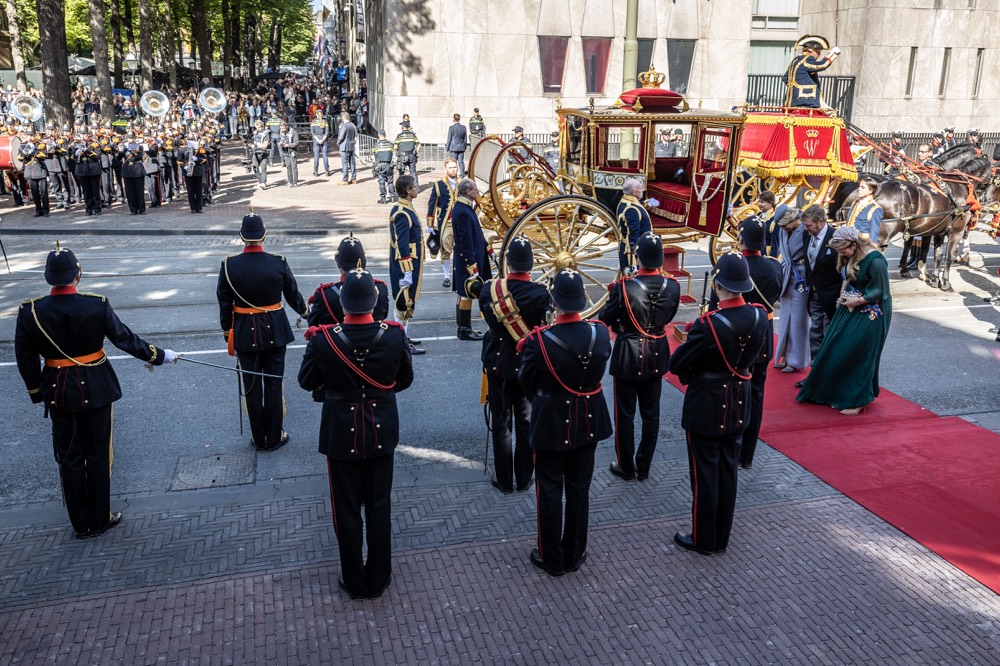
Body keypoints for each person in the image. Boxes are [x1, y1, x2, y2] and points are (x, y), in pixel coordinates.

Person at [14, 244, 177, 538]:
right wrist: (159, 356)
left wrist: (36, 392)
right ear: (78, 275)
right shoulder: (96, 304)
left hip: (58, 390)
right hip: (96, 386)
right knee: (98, 454)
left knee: (69, 456)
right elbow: (125, 339)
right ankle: (100, 518)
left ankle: (81, 523)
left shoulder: (31, 311)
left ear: (48, 277)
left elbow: (25, 357)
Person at [298, 266, 414, 600]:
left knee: (346, 510)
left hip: (340, 434)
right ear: (374, 301)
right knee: (379, 507)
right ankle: (378, 578)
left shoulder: (323, 340)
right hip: (381, 431)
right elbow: (404, 379)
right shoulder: (394, 335)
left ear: (343, 303)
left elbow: (306, 381)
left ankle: (353, 579)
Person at [668, 253, 768, 555]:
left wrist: (691, 348)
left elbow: (677, 363)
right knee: (727, 470)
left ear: (718, 285)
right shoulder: (759, 315)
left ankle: (703, 538)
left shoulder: (707, 324)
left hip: (708, 403)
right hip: (739, 398)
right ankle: (721, 537)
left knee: (704, 474)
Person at [518, 268, 612, 576]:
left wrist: (545, 400)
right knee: (579, 488)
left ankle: (551, 557)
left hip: (551, 422)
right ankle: (574, 552)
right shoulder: (600, 334)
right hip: (588, 420)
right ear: (583, 299)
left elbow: (526, 383)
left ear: (554, 302)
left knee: (549, 489)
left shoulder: (539, 341)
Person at [217, 213, 309, 451]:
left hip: (244, 332)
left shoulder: (228, 265)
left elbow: (224, 304)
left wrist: (228, 331)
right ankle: (274, 436)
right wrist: (306, 312)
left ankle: (259, 438)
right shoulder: (278, 262)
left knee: (252, 386)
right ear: (264, 235)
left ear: (242, 237)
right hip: (275, 330)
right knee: (274, 384)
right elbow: (293, 295)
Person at [598, 232, 680, 481]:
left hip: (628, 354)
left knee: (625, 415)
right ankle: (643, 466)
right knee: (651, 414)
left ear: (638, 257)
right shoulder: (673, 286)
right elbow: (669, 315)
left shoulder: (625, 286)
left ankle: (625, 465)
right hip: (656, 351)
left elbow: (604, 318)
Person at [479, 236, 550, 493]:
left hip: (497, 363)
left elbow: (488, 319)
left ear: (508, 263)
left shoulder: (490, 289)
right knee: (525, 421)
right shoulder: (541, 294)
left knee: (500, 423)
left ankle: (504, 480)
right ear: (531, 264)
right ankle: (524, 477)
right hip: (526, 366)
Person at [797, 226, 892, 415]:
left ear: (854, 245)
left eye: (843, 251)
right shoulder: (853, 255)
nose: (842, 255)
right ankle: (837, 392)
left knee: (862, 353)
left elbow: (881, 291)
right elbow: (848, 279)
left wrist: (856, 301)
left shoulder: (876, 261)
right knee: (836, 348)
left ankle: (858, 400)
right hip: (851, 305)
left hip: (873, 311)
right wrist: (843, 295)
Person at [731, 218, 782, 470]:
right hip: (763, 334)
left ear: (742, 238)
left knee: (733, 394)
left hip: (736, 335)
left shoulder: (733, 264)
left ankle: (733, 448)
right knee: (756, 395)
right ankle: (747, 456)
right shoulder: (774, 266)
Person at [307, 234, 390, 327]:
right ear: (364, 262)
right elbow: (383, 315)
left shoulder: (325, 295)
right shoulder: (381, 289)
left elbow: (313, 324)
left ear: (338, 263)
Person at [389, 175, 426, 355]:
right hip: (406, 266)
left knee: (407, 302)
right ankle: (400, 343)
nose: (417, 188)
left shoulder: (406, 208)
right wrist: (407, 272)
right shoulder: (402, 213)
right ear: (407, 190)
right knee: (402, 303)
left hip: (411, 264)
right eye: (414, 186)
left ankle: (403, 337)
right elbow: (402, 244)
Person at [450, 177, 491, 340]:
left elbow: (476, 233)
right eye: (475, 189)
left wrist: (488, 248)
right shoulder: (463, 211)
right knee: (467, 293)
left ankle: (463, 327)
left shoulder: (464, 207)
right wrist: (471, 266)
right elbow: (465, 241)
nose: (477, 192)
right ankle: (464, 329)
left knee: (463, 293)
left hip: (469, 257)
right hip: (468, 260)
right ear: (468, 191)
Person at [774, 207, 810, 374]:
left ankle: (796, 360)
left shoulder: (806, 229)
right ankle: (783, 356)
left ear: (794, 220)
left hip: (801, 278)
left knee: (798, 321)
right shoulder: (784, 231)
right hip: (787, 275)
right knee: (785, 319)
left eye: (784, 225)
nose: (782, 229)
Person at [801, 204, 839, 362]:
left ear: (821, 222)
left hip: (831, 294)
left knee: (829, 331)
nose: (806, 229)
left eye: (809, 225)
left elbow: (842, 269)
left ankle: (828, 367)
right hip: (814, 292)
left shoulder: (835, 237)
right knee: (815, 329)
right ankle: (815, 366)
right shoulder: (807, 235)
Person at [782, 35, 840, 108]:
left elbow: (785, 78)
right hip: (806, 101)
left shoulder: (795, 60)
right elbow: (822, 65)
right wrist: (833, 53)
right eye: (817, 52)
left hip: (791, 101)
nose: (818, 55)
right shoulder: (807, 59)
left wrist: (795, 88)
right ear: (809, 50)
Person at [426, 158, 460, 288]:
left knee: (463, 248)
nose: (453, 170)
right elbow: (432, 204)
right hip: (446, 222)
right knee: (445, 247)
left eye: (454, 167)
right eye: (450, 167)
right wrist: (430, 224)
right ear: (446, 169)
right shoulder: (438, 185)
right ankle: (446, 276)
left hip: (461, 222)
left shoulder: (463, 183)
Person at [616, 177, 652, 273]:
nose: (642, 190)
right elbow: (633, 236)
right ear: (634, 192)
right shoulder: (631, 209)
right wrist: (633, 259)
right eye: (640, 188)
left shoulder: (626, 201)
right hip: (633, 254)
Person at [845, 176, 883, 242]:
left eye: (863, 187)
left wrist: (870, 246)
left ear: (871, 190)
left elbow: (874, 233)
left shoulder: (875, 209)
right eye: (859, 187)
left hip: (861, 243)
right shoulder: (855, 203)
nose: (859, 189)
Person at [21, 131, 50, 218]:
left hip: (40, 170)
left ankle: (45, 210)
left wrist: (34, 151)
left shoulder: (40, 144)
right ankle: (38, 210)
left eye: (31, 135)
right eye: (28, 135)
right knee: (34, 193)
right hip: (29, 171)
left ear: (34, 135)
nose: (30, 137)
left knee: (43, 192)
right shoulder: (23, 145)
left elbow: (44, 156)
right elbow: (19, 158)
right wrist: (26, 151)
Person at [74, 132, 103, 215]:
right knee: (86, 192)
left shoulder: (94, 144)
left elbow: (97, 156)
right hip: (82, 170)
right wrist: (77, 154)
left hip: (93, 169)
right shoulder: (76, 144)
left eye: (85, 134)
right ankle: (88, 208)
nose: (83, 136)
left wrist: (88, 152)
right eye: (82, 134)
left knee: (95, 191)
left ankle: (97, 208)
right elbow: (72, 156)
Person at [177, 133, 207, 214]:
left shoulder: (199, 149)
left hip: (197, 171)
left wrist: (197, 159)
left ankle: (199, 207)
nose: (190, 141)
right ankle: (193, 208)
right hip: (188, 172)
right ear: (187, 140)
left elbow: (204, 160)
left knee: (199, 190)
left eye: (192, 140)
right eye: (189, 140)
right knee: (190, 191)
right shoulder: (182, 150)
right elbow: (179, 161)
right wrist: (184, 167)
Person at [121, 133, 147, 215]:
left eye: (132, 138)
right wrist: (122, 150)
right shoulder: (124, 147)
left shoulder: (139, 146)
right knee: (130, 192)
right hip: (127, 170)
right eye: (129, 138)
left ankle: (141, 209)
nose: (131, 139)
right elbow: (118, 157)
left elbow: (139, 157)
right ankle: (133, 209)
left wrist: (132, 150)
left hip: (137, 169)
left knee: (139, 191)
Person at [372, 129, 396, 204]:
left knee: (381, 182)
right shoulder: (390, 144)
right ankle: (392, 197)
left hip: (380, 165)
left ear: (379, 135)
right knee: (390, 181)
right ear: (385, 135)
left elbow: (374, 155)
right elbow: (393, 153)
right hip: (389, 164)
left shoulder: (376, 145)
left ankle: (383, 198)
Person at [394, 120, 420, 185]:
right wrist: (415, 152)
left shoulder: (399, 136)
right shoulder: (413, 135)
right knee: (413, 173)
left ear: (402, 127)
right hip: (412, 156)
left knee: (401, 173)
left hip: (402, 157)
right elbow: (419, 145)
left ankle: (401, 188)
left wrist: (398, 149)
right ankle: (416, 187)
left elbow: (395, 147)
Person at [445, 113, 468, 177]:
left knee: (453, 162)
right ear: (459, 119)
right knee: (461, 162)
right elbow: (465, 138)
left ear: (454, 119)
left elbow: (449, 139)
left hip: (454, 147)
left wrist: (447, 147)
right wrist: (465, 146)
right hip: (461, 147)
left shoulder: (451, 128)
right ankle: (462, 174)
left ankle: (453, 174)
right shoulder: (463, 127)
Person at [337, 112, 357, 184]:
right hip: (351, 145)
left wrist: (338, 143)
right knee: (352, 163)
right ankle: (354, 178)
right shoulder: (352, 125)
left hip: (344, 146)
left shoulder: (344, 126)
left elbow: (341, 137)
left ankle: (345, 179)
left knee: (345, 163)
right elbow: (355, 135)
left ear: (343, 118)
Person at [311, 110, 331, 177]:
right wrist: (322, 139)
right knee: (325, 155)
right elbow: (327, 132)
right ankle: (327, 171)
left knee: (316, 156)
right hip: (324, 139)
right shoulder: (325, 122)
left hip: (316, 139)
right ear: (322, 114)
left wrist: (318, 140)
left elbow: (312, 132)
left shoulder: (313, 121)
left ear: (316, 114)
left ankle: (316, 171)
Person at [251, 120, 270, 189]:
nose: (259, 128)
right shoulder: (255, 132)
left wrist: (256, 146)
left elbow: (265, 145)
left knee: (263, 168)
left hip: (264, 153)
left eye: (260, 126)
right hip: (256, 152)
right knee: (255, 168)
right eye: (257, 127)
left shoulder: (266, 133)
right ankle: (260, 181)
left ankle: (263, 183)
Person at [280, 120, 299, 187]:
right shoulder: (281, 132)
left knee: (294, 166)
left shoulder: (293, 132)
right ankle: (289, 181)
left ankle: (295, 182)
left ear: (286, 127)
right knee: (288, 166)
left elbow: (296, 142)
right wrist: (281, 144)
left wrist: (288, 145)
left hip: (292, 151)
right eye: (281, 128)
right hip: (285, 151)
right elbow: (281, 140)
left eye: (283, 128)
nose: (282, 130)